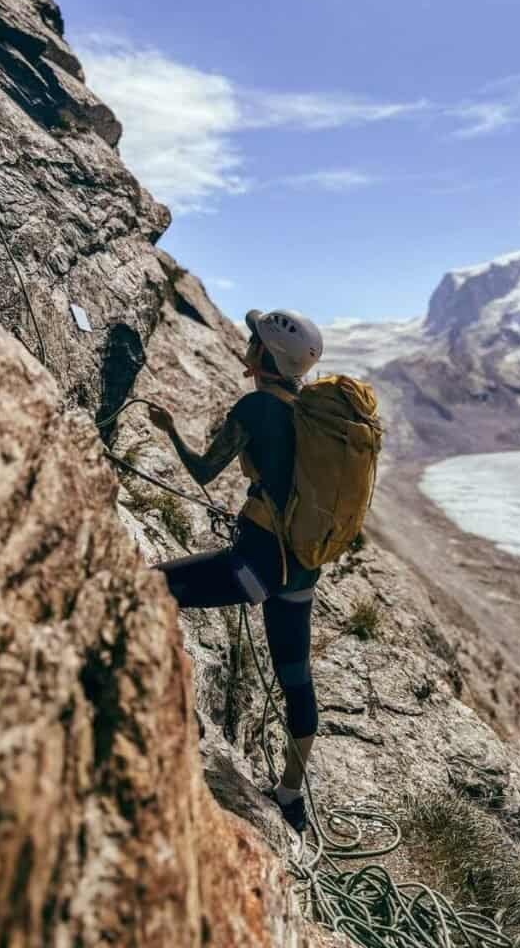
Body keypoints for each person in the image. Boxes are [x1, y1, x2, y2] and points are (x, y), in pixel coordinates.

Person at [149, 308, 324, 833]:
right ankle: (291, 799)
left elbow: (204, 470)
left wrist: (170, 429)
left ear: (265, 356)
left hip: (257, 567)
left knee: (152, 587)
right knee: (295, 678)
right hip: (300, 569)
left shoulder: (256, 406)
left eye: (253, 342)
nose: (246, 346)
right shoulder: (309, 411)